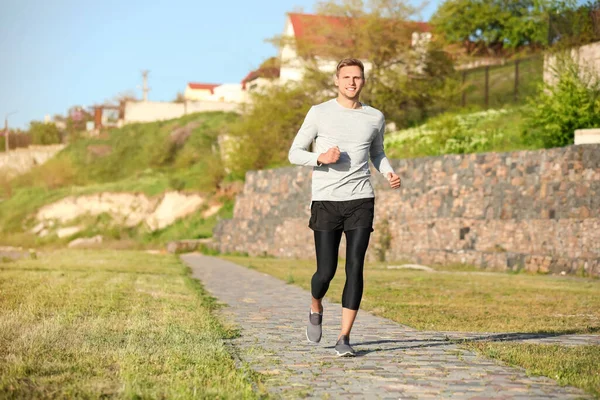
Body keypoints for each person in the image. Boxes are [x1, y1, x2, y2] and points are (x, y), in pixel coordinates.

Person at [288, 58, 401, 357]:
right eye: (346, 77)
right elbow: (294, 153)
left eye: (357, 77)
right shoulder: (319, 113)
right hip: (326, 200)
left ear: (363, 81)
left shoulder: (375, 117)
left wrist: (388, 170)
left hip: (361, 200)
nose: (352, 82)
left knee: (355, 267)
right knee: (325, 272)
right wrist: (320, 157)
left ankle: (344, 337)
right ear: (337, 80)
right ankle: (315, 304)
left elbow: (377, 152)